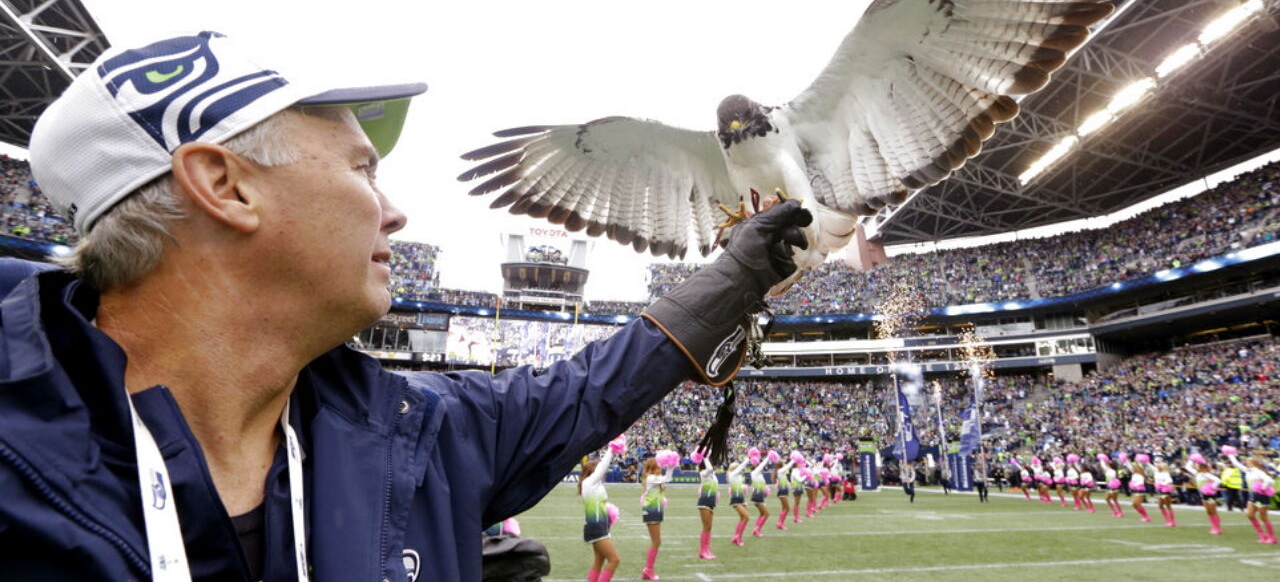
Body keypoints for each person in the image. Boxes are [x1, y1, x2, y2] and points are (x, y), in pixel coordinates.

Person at [0, 31, 815, 580]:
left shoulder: (413, 431)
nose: (394, 214)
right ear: (224, 185)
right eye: (362, 170)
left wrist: (734, 280)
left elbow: (580, 394)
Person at [580, 438, 625, 582]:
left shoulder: (594, 485)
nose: (603, 474)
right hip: (596, 526)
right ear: (593, 471)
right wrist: (612, 449)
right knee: (614, 560)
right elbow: (603, 467)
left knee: (599, 561)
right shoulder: (589, 483)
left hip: (600, 525)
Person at [639, 452, 677, 579]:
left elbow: (666, 480)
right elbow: (668, 478)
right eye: (659, 465)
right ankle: (648, 569)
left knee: (656, 541)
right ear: (654, 467)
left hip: (655, 510)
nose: (661, 467)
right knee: (656, 541)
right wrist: (671, 465)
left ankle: (647, 570)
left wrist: (671, 465)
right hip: (652, 510)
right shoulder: (651, 478)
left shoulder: (653, 478)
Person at [693, 451, 718, 560]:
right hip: (704, 502)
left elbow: (712, 470)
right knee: (706, 527)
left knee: (709, 527)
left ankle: (706, 550)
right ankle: (703, 551)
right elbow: (710, 469)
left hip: (711, 502)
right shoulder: (703, 473)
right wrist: (705, 456)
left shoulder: (713, 475)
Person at [726, 454, 751, 547]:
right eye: (737, 468)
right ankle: (738, 539)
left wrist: (745, 486)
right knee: (746, 517)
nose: (741, 470)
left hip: (741, 498)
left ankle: (735, 538)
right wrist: (747, 459)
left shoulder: (738, 477)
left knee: (742, 518)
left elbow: (741, 486)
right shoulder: (732, 475)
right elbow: (741, 467)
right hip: (735, 499)